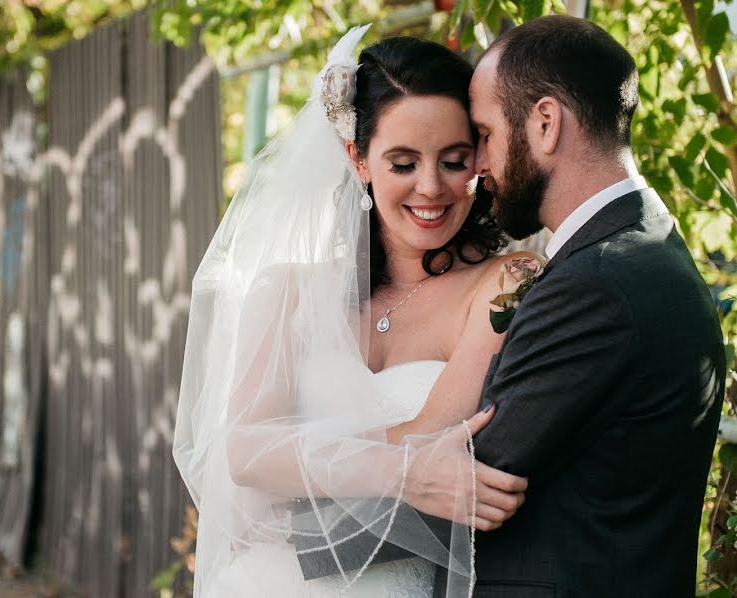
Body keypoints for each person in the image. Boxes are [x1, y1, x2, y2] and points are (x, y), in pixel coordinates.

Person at [300, 15, 726, 598]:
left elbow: (469, 477)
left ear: (546, 124)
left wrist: (285, 535)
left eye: (485, 135)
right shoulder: (640, 249)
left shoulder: (594, 285)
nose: (476, 165)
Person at [173, 27, 532, 598]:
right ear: (358, 159)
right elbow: (242, 453)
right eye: (403, 162)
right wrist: (404, 473)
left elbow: (434, 434)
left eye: (454, 159)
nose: (432, 187)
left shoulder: (503, 284)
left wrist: (297, 455)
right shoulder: (287, 290)